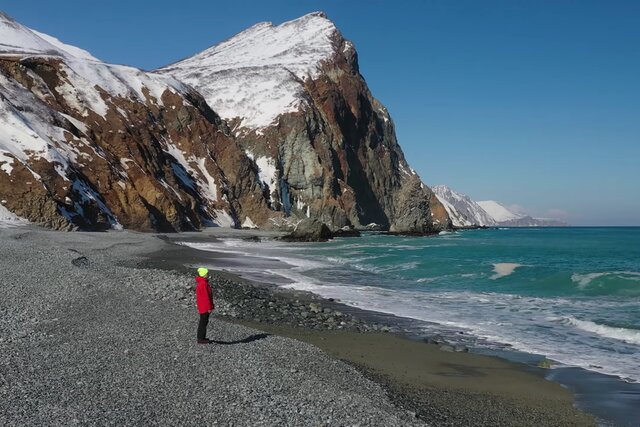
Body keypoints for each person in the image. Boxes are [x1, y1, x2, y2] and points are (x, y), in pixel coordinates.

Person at [195, 267, 214, 344]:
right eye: (207, 273)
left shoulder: (202, 283)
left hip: (202, 306)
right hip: (204, 307)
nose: (208, 275)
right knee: (203, 322)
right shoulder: (203, 284)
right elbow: (206, 297)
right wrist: (209, 307)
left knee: (203, 322)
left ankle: (201, 337)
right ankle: (201, 339)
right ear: (204, 274)